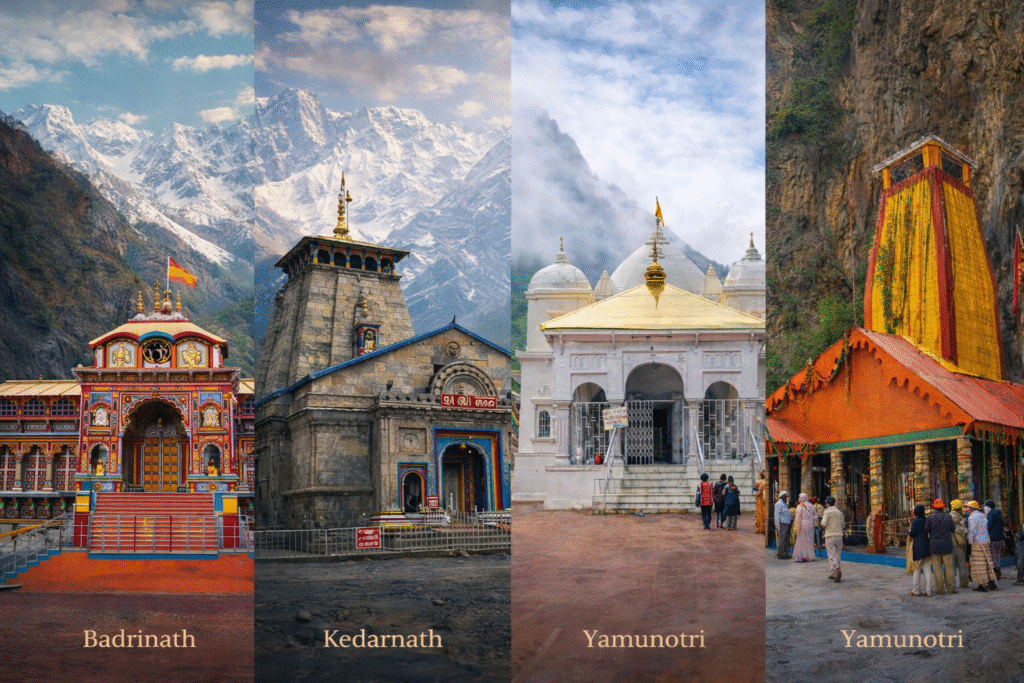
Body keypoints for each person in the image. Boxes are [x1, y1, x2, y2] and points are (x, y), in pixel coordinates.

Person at [964, 500, 997, 592]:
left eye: (968, 508)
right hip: (986, 541)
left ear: (971, 509)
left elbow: (973, 531)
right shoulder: (982, 515)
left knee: (979, 564)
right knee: (988, 562)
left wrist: (969, 540)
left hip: (978, 543)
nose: (967, 509)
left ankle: (982, 584)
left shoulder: (972, 517)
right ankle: (991, 582)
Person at [925, 498, 956, 594]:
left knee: (937, 568)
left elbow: (926, 530)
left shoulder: (930, 517)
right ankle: (950, 588)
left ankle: (939, 589)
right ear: (943, 507)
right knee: (949, 567)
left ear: (933, 507)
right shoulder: (948, 517)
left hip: (934, 546)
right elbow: (953, 529)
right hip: (947, 545)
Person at [907, 503, 932, 596]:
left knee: (916, 569)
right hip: (927, 546)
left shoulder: (916, 521)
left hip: (918, 547)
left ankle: (916, 590)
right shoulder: (926, 520)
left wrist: (907, 530)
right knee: (927, 569)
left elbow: (912, 533)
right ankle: (928, 591)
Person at [821, 496, 844, 582]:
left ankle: (836, 569)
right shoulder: (839, 512)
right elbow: (843, 525)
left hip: (830, 535)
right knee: (837, 554)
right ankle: (833, 573)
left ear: (827, 504)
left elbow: (823, 524)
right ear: (834, 503)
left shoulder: (827, 512)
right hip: (839, 535)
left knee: (831, 554)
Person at [949, 499, 970, 589]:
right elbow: (965, 530)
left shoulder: (949, 516)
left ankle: (952, 584)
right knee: (962, 565)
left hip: (952, 543)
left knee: (952, 565)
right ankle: (964, 583)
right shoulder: (962, 518)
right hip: (961, 543)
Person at [792, 493, 816, 562]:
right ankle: (809, 556)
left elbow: (798, 517)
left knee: (801, 540)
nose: (799, 499)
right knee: (809, 540)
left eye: (800, 498)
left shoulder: (800, 506)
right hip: (810, 524)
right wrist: (811, 521)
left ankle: (801, 556)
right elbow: (815, 516)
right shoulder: (812, 506)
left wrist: (796, 526)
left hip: (802, 524)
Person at [986, 499, 1005, 581]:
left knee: (993, 557)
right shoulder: (999, 513)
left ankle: (996, 574)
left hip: (993, 538)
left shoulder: (990, 514)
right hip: (1001, 538)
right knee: (997, 556)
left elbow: (989, 526)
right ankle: (999, 573)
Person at [775, 491, 792, 559]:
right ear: (782, 496)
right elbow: (776, 515)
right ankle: (781, 553)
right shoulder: (778, 504)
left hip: (786, 523)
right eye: (785, 496)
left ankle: (784, 552)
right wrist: (777, 525)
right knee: (782, 539)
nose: (786, 498)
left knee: (785, 539)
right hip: (782, 523)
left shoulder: (784, 503)